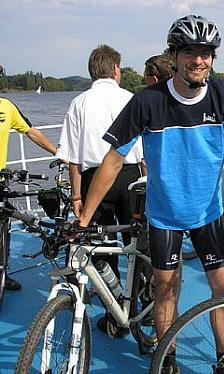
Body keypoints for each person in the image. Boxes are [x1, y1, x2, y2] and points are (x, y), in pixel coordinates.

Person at [76, 15, 224, 372]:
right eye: (190, 51)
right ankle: (167, 359)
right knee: (165, 290)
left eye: (205, 52)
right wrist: (83, 217)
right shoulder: (147, 101)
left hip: (209, 214)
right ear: (173, 56)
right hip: (164, 216)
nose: (198, 59)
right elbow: (112, 161)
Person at [55, 44, 144, 336]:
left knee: (98, 246)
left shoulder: (80, 103)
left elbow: (72, 158)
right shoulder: (132, 99)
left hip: (96, 181)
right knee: (137, 245)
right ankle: (140, 307)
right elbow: (144, 153)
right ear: (116, 69)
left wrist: (77, 197)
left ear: (92, 71)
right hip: (131, 177)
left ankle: (115, 309)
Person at [0, 90, 57, 291]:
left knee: (3, 229)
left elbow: (31, 132)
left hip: (0, 182)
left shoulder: (7, 106)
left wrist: (58, 153)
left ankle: (3, 275)